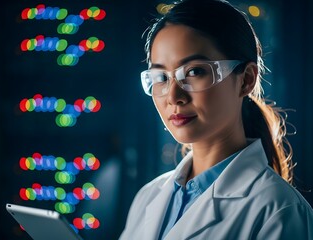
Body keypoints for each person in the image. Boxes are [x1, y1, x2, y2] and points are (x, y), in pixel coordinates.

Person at [119, 0, 313, 239]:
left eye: (194, 71)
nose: (173, 96)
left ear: (246, 80)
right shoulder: (148, 197)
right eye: (161, 77)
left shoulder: (278, 209)